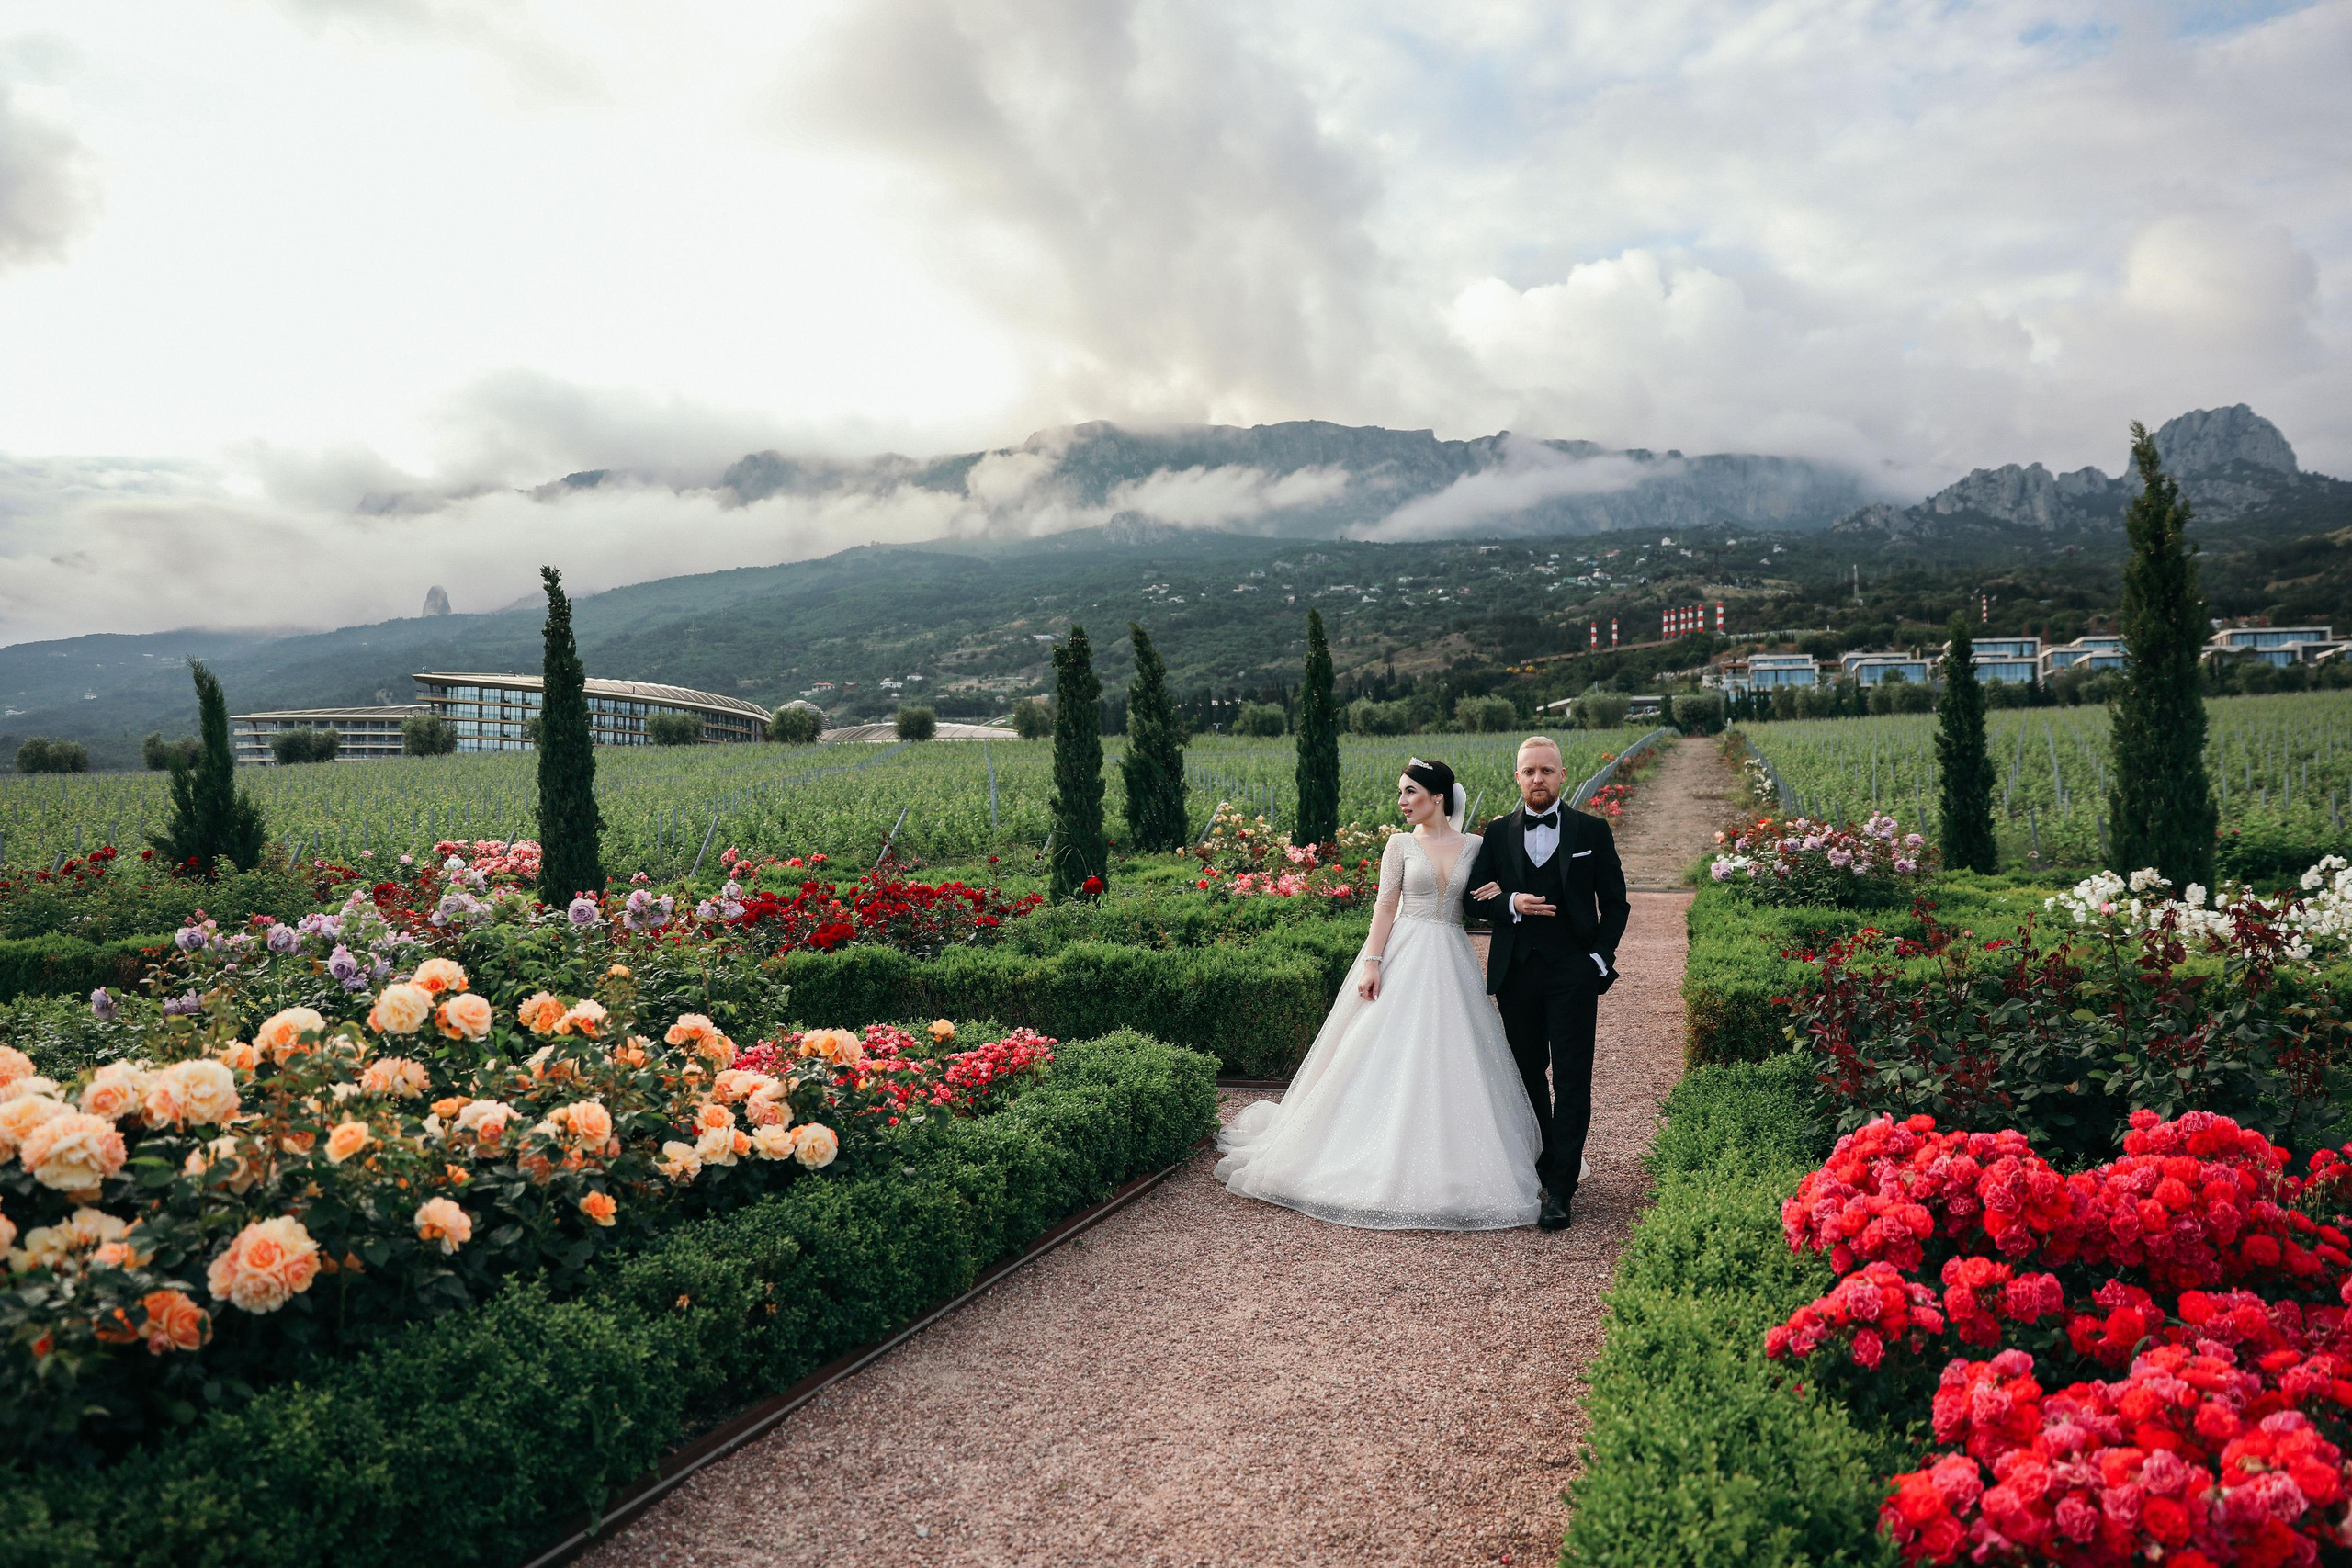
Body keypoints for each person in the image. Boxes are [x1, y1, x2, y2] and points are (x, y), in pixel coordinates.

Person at [1213, 758, 1544, 1230]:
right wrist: (1372, 962)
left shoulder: (1476, 845)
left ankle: (1457, 1159)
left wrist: (1503, 893)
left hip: (1452, 954)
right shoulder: (1399, 845)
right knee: (1379, 1049)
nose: (1402, 801)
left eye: (1411, 792)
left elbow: (1483, 898)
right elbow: (1385, 907)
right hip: (1404, 952)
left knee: (1455, 1055)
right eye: (1401, 793)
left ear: (1438, 798)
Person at [1463, 736, 1630, 1232]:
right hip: (1517, 972)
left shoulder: (1592, 831)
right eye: (1529, 771)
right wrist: (1508, 904)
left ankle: (1561, 1189)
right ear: (1517, 777)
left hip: (1573, 972)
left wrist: (1599, 958)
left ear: (1562, 776)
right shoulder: (1496, 834)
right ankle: (1548, 1157)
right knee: (1527, 1072)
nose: (1537, 779)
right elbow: (1473, 898)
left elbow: (1615, 903)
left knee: (1573, 1078)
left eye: (1546, 771)